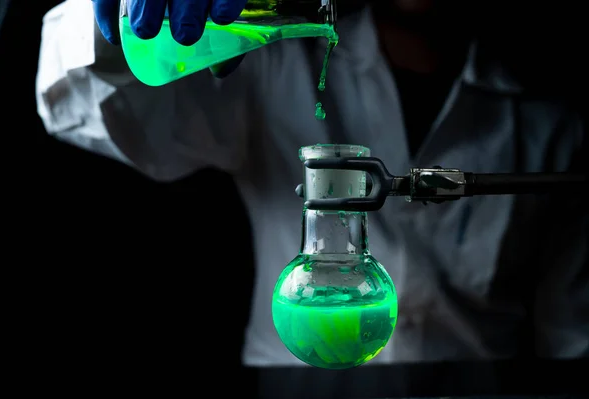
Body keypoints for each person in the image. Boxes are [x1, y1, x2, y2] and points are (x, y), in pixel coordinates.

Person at [37, 0, 588, 371]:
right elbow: (91, 112)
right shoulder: (275, 61)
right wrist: (110, 17)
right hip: (287, 386)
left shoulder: (551, 123)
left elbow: (574, 334)